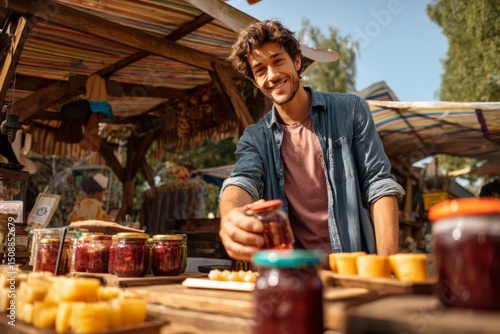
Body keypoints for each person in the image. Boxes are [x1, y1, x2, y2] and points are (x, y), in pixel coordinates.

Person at [219, 20, 405, 262]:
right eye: (261, 70)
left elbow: (379, 185)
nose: (272, 75)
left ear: (297, 61)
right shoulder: (256, 137)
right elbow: (242, 181)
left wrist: (388, 266)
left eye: (278, 61)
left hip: (356, 268)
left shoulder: (351, 110)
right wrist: (230, 216)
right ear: (255, 81)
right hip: (294, 275)